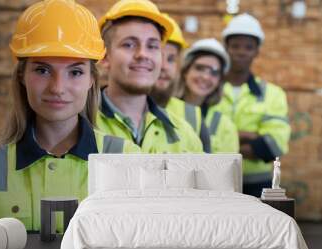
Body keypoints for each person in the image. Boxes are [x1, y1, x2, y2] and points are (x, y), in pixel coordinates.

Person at [0, 0, 140, 231]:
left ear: (91, 80)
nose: (57, 87)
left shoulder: (127, 160)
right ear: (22, 76)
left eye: (75, 72)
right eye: (42, 70)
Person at [96, 0, 203, 153]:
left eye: (152, 46)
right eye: (129, 44)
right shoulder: (78, 126)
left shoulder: (185, 136)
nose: (143, 54)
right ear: (105, 57)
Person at [216, 13, 291, 196]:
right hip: (213, 183)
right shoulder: (208, 90)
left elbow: (273, 146)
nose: (241, 52)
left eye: (248, 47)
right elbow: (198, 140)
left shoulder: (272, 94)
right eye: (235, 46)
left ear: (257, 51)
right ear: (226, 48)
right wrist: (250, 136)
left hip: (257, 186)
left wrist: (222, 146)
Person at [150, 13, 211, 153]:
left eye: (171, 59)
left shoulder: (193, 116)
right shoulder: (96, 113)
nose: (164, 66)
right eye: (157, 55)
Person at [175, 38, 239, 154]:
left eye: (214, 72)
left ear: (219, 81)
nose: (206, 77)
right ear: (185, 71)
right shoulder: (163, 110)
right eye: (199, 68)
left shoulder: (225, 126)